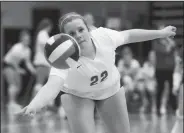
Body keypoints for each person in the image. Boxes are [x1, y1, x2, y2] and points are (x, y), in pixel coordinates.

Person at [16, 12, 176, 133]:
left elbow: (129, 35)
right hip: (77, 96)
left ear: (88, 29)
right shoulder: (65, 58)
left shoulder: (103, 37)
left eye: (80, 30)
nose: (78, 35)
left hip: (110, 90)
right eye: (72, 34)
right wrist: (34, 105)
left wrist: (161, 33)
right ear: (66, 37)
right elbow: (52, 86)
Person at [3, 30, 36, 113]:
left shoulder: (27, 50)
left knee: (18, 86)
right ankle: (11, 103)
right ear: (22, 39)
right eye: (26, 39)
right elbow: (12, 61)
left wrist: (33, 70)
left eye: (28, 39)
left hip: (15, 67)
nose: (27, 41)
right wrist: (18, 70)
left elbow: (27, 62)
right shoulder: (17, 47)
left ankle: (13, 102)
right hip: (8, 65)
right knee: (13, 85)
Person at [152, 23, 177, 116]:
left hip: (170, 69)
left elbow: (174, 48)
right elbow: (166, 50)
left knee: (172, 89)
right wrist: (168, 42)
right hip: (160, 69)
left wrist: (168, 39)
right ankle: (158, 109)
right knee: (160, 89)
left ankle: (174, 108)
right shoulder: (156, 43)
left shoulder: (169, 41)